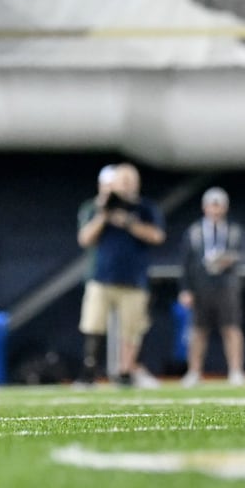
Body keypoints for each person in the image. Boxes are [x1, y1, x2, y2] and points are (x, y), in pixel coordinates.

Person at [75, 163, 166, 388]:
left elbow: (157, 236)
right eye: (121, 180)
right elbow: (85, 239)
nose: (125, 185)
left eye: (129, 180)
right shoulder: (97, 207)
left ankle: (125, 372)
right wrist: (104, 216)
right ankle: (89, 373)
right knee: (93, 325)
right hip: (102, 277)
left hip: (134, 279)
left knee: (131, 330)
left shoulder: (144, 208)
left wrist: (129, 223)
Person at [178, 187, 245, 387]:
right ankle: (194, 371)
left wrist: (228, 259)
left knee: (232, 328)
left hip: (226, 285)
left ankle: (236, 370)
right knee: (198, 330)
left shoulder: (235, 231)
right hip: (201, 285)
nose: (215, 210)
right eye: (212, 205)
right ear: (205, 207)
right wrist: (185, 289)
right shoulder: (194, 231)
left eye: (219, 206)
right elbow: (185, 263)